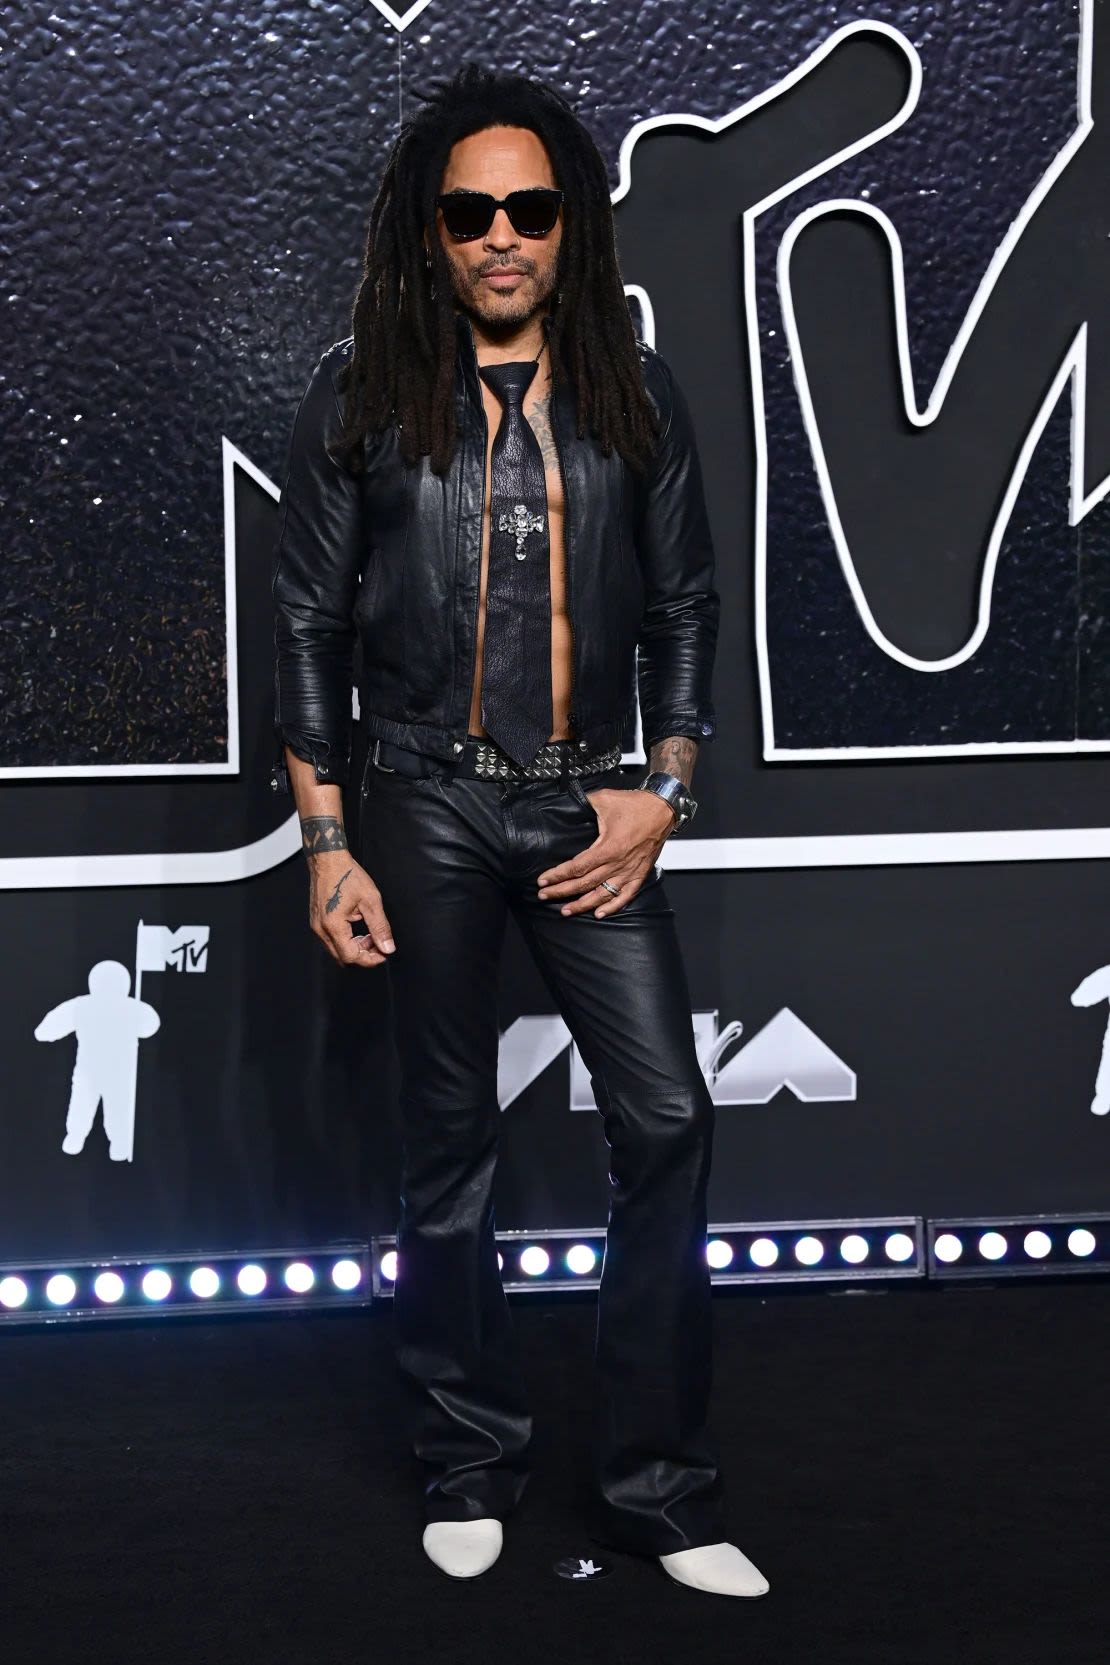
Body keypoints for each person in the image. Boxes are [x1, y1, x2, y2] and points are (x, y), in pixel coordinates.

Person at [270, 62, 769, 1600]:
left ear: (571, 228)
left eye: (531, 208)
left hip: (583, 799)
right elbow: (304, 622)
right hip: (415, 796)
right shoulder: (366, 394)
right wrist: (328, 841)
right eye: (471, 210)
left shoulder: (631, 388)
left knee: (669, 1120)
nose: (501, 236)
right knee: (446, 1146)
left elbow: (686, 605)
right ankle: (469, 1451)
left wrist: (662, 790)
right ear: (431, 231)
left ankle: (656, 1486)